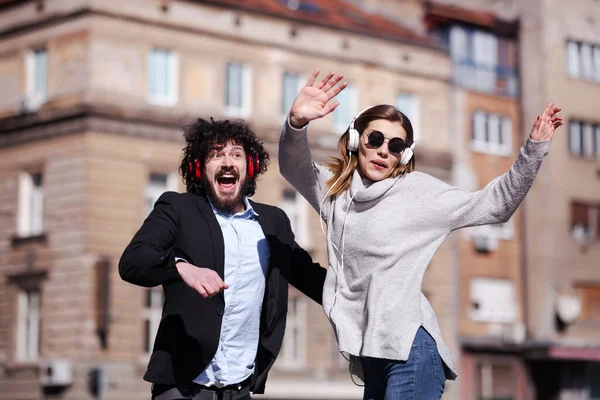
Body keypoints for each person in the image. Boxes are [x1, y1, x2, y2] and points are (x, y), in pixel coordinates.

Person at [278, 70, 563, 400]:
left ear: (405, 155)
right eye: (375, 140)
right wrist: (296, 123)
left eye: (395, 145)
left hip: (411, 354)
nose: (384, 151)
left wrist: (533, 150)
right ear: (356, 141)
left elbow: (495, 205)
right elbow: (292, 166)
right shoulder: (336, 193)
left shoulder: (418, 193)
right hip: (373, 359)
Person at [119, 117, 326, 400]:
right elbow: (133, 261)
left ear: (249, 167)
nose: (227, 162)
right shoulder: (178, 208)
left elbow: (312, 279)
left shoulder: (273, 221)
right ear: (199, 168)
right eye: (216, 154)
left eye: (237, 155)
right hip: (183, 387)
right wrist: (181, 267)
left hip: (239, 388)